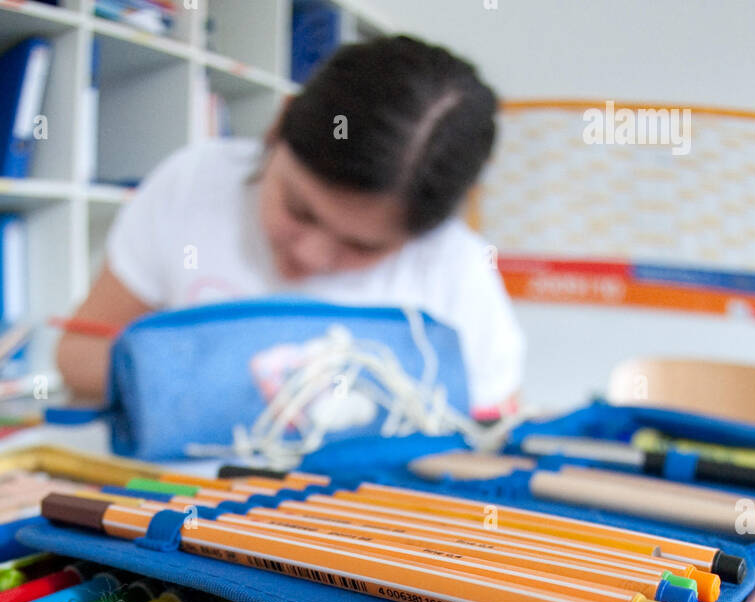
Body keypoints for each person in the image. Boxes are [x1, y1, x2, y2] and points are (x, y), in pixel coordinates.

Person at [57, 34, 524, 417]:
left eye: (362, 246)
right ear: (277, 128)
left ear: (427, 235)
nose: (310, 256)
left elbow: (490, 436)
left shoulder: (456, 272)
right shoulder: (194, 184)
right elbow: (75, 354)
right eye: (300, 210)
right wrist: (209, 382)